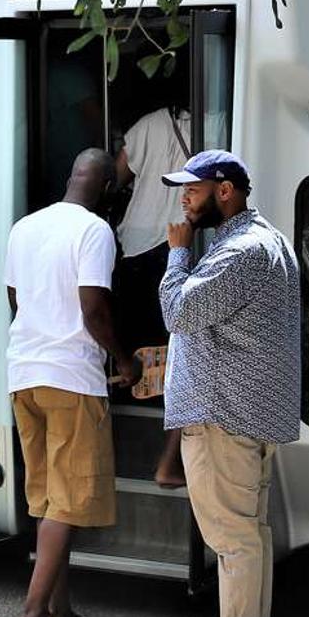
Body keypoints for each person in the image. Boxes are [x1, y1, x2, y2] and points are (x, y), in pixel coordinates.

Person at [155, 150, 303, 617]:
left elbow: (180, 313)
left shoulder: (239, 251)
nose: (184, 199)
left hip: (222, 416)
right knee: (249, 538)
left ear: (225, 190)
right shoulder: (267, 241)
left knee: (234, 542)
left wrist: (176, 255)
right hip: (249, 415)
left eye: (192, 189)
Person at [5, 149, 142, 617]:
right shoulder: (95, 231)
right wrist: (124, 360)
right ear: (108, 187)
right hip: (71, 378)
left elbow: (15, 299)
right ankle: (34, 614)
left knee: (47, 499)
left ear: (71, 177)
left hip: (24, 373)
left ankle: (60, 611)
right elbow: (94, 307)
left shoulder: (25, 227)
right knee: (68, 500)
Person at [115, 105, 194, 489]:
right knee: (175, 346)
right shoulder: (222, 116)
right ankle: (166, 448)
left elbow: (117, 173)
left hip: (137, 243)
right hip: (178, 239)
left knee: (141, 343)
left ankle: (136, 424)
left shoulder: (147, 122)